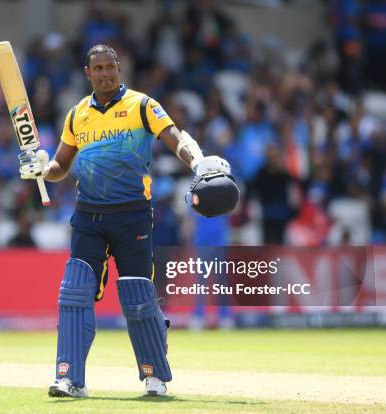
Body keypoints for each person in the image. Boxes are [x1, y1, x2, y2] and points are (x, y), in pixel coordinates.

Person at [18, 45, 231, 398]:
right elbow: (60, 166)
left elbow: (174, 137)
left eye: (110, 67)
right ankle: (69, 377)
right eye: (97, 68)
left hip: (132, 213)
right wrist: (41, 169)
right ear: (87, 73)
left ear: (120, 68)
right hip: (88, 214)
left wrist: (198, 163)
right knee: (75, 291)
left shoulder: (142, 105)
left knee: (137, 295)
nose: (105, 73)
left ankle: (154, 375)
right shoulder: (77, 115)